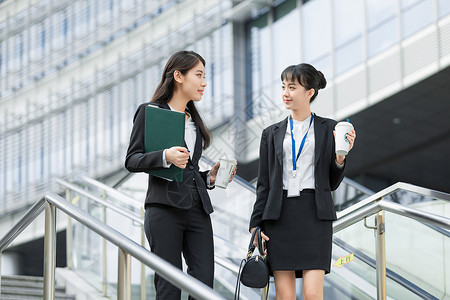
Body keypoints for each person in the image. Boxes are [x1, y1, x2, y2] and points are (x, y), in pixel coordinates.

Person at [125, 50, 236, 299]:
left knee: (204, 282)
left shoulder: (194, 121)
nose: (204, 82)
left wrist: (211, 177)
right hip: (164, 209)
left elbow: (190, 168)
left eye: (204, 76)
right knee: (169, 285)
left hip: (197, 210)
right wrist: (165, 156)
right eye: (198, 75)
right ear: (178, 76)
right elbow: (131, 160)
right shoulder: (150, 112)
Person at [249, 63, 356, 300]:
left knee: (311, 294)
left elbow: (332, 182)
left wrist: (340, 157)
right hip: (279, 215)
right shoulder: (271, 133)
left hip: (315, 215)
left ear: (310, 93)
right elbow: (264, 184)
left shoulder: (330, 128)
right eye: (284, 87)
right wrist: (255, 224)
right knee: (284, 296)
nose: (285, 93)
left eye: (292, 87)